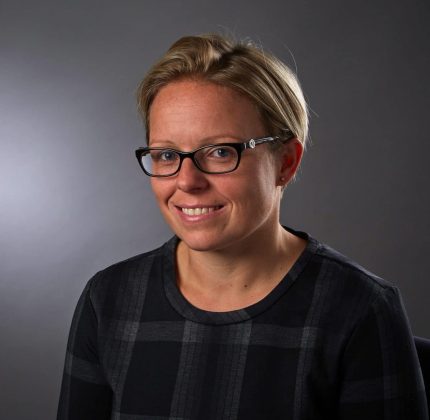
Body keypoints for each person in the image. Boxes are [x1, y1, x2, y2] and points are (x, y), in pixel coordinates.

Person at [57, 34, 428, 419]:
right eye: (167, 155)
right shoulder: (109, 300)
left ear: (286, 161)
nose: (187, 181)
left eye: (220, 152)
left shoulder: (360, 309)